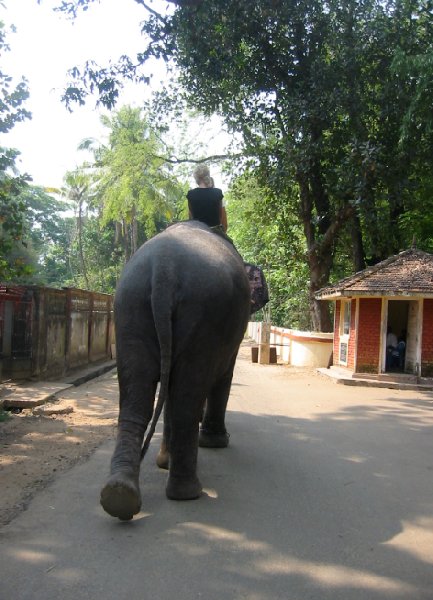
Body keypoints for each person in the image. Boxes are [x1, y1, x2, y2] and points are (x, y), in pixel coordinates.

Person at [187, 164, 228, 232]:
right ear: (208, 176)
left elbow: (191, 218)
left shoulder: (191, 194)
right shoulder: (218, 193)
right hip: (216, 231)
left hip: (197, 231)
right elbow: (222, 219)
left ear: (196, 178)